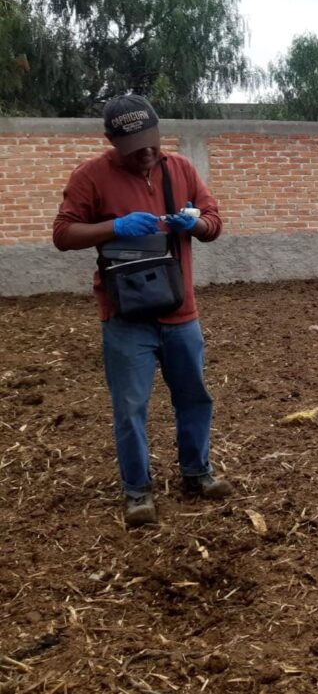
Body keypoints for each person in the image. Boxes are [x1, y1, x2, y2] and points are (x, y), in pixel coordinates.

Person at [52, 94, 232, 527]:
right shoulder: (91, 176)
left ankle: (197, 473)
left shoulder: (180, 169)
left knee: (194, 397)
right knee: (131, 407)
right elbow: (63, 233)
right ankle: (137, 491)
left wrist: (196, 224)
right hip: (126, 317)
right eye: (134, 147)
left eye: (151, 141)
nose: (147, 152)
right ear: (112, 141)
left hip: (180, 310)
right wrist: (115, 226)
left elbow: (213, 221)